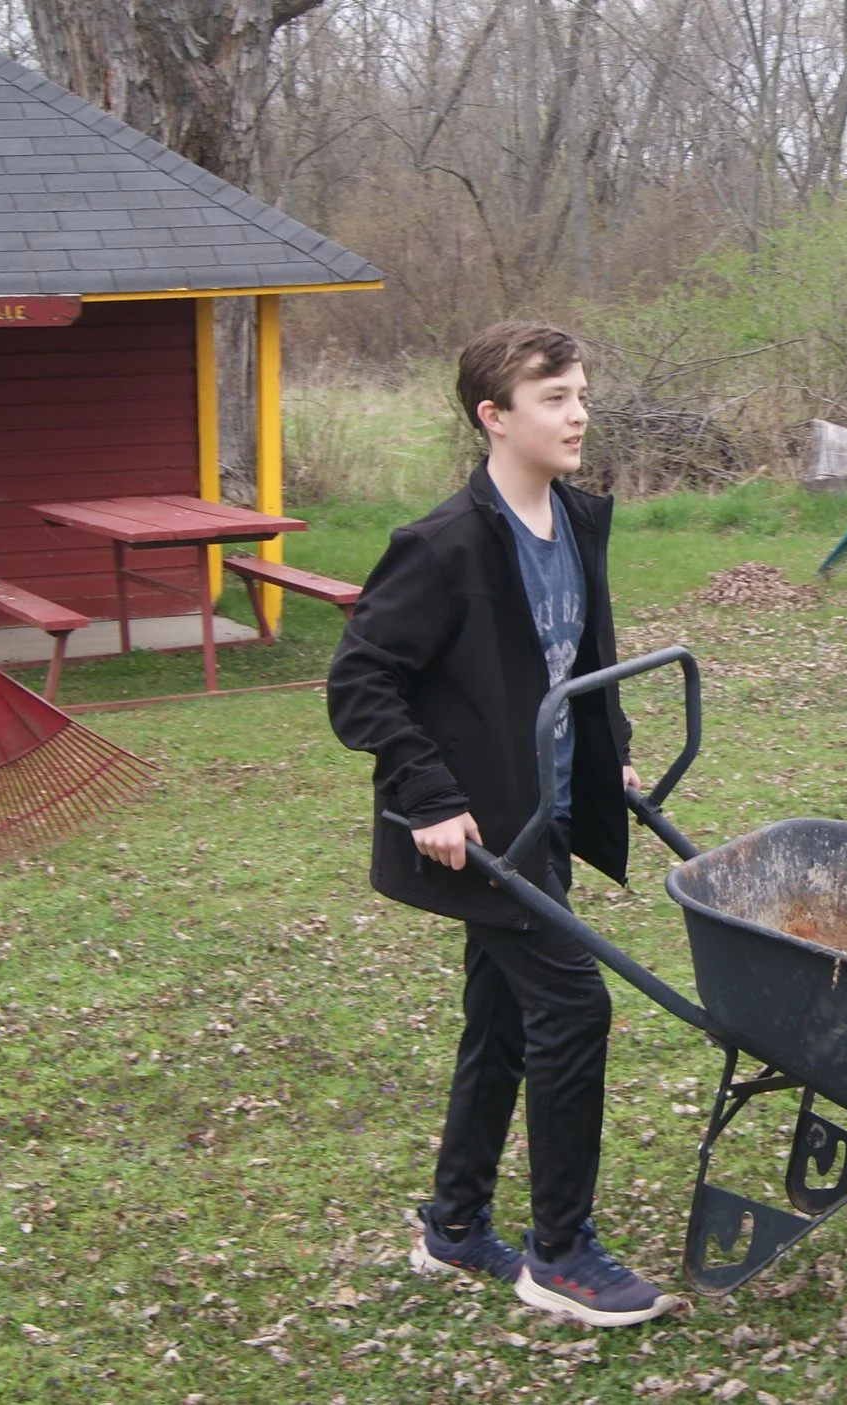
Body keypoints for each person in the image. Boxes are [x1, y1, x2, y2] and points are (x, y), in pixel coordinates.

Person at [327, 321, 682, 1329]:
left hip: (549, 821)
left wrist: (610, 743)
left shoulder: (573, 518)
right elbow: (359, 680)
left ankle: (452, 1224)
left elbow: (578, 656)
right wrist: (428, 792)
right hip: (482, 831)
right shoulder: (444, 546)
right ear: (494, 415)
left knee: (504, 1017)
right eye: (553, 397)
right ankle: (559, 1252)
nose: (577, 415)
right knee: (571, 1007)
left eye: (580, 393)